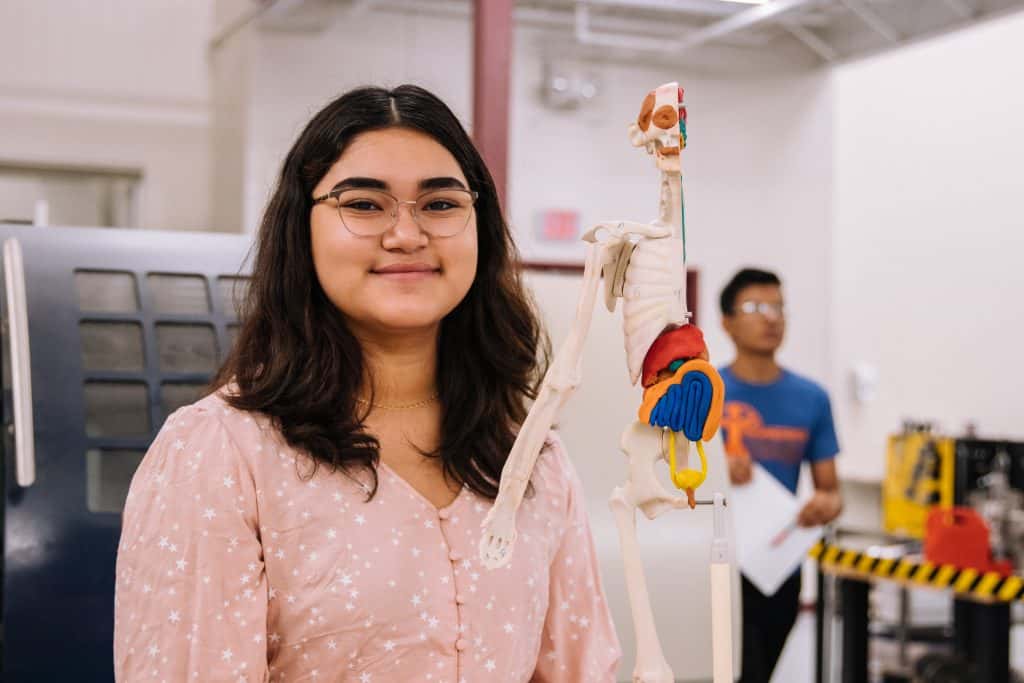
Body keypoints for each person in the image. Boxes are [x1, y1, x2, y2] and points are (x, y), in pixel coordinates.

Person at [114, 85, 621, 682]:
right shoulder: (220, 454)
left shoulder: (531, 458)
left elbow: (577, 671)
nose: (407, 235)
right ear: (302, 229)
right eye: (363, 204)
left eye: (439, 204)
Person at [718, 267, 842, 683]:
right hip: (714, 566)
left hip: (778, 567)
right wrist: (716, 472)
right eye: (755, 307)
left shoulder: (811, 398)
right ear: (727, 322)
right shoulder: (703, 392)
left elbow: (831, 491)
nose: (770, 317)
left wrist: (825, 505)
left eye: (778, 307)